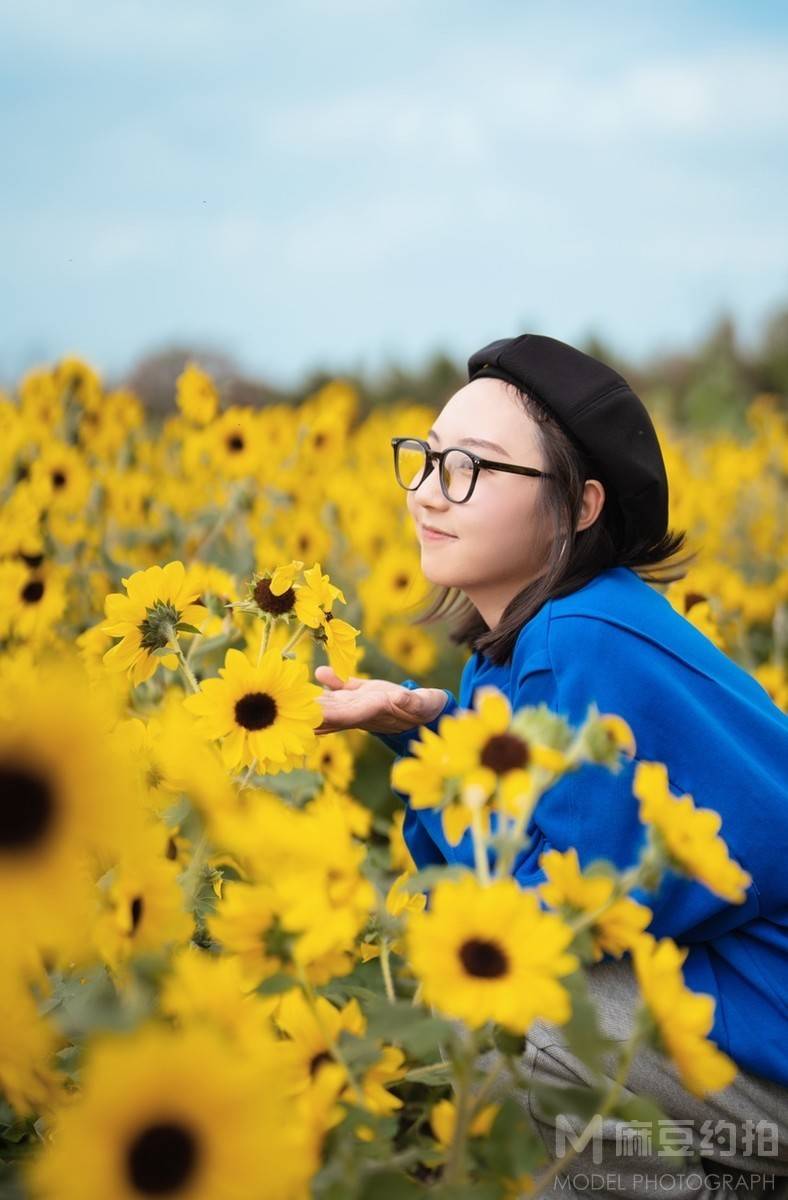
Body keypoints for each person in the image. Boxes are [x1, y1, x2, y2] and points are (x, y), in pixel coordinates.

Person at [314, 333, 788, 1197]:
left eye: (472, 468)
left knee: (546, 1022)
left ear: (579, 506)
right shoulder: (515, 650)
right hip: (738, 1021)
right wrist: (428, 732)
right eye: (424, 457)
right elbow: (522, 856)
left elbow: (562, 913)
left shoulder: (582, 637)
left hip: (770, 1032)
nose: (429, 489)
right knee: (508, 1045)